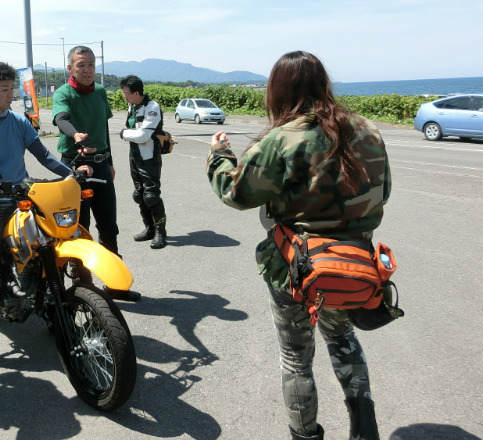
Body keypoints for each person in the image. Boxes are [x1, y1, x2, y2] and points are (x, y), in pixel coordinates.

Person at [206, 51, 391, 440]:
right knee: (342, 338)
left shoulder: (282, 139)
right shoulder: (367, 130)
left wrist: (219, 155)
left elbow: (236, 193)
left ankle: (304, 435)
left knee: (296, 358)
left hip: (298, 267)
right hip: (353, 264)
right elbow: (383, 191)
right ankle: (365, 428)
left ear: (278, 90)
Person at [0, 62, 90, 379]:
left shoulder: (18, 121)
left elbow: (43, 155)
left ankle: (51, 308)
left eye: (11, 88)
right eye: (5, 89)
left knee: (51, 243)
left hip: (22, 193)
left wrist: (71, 174)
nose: (11, 94)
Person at [52, 46, 119, 255]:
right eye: (81, 65)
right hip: (74, 163)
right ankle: (80, 272)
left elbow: (103, 128)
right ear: (70, 68)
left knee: (108, 223)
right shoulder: (64, 93)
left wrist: (110, 162)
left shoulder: (99, 91)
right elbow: (61, 118)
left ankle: (112, 270)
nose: (87, 69)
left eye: (91, 65)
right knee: (79, 225)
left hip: (101, 163)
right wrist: (75, 135)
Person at [119, 75, 168, 249]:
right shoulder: (132, 105)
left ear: (137, 93)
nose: (124, 96)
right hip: (134, 154)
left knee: (151, 195)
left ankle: (160, 232)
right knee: (139, 194)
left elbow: (143, 135)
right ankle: (149, 229)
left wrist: (123, 133)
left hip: (149, 155)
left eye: (126, 93)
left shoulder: (152, 107)